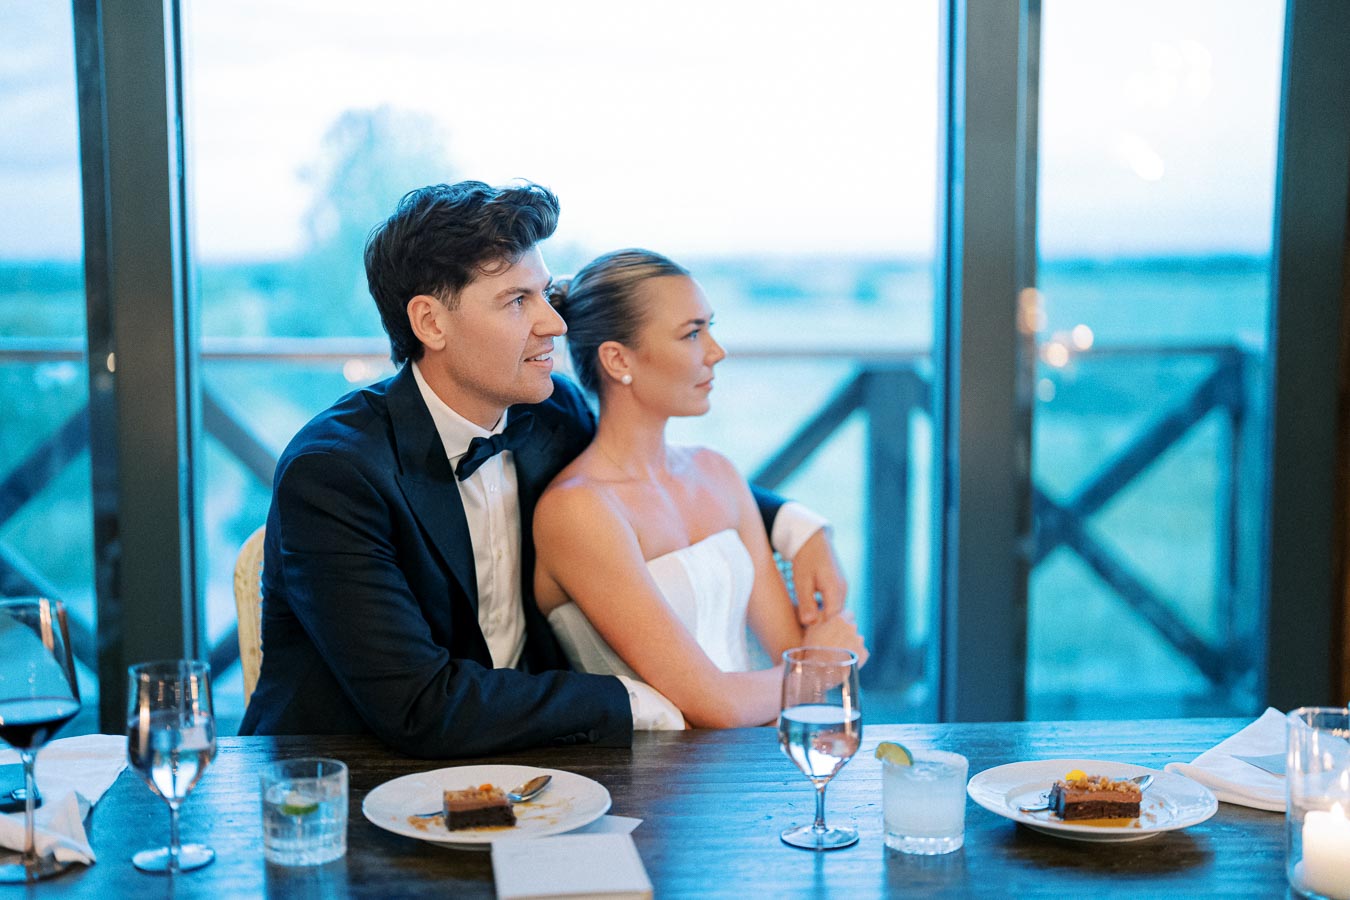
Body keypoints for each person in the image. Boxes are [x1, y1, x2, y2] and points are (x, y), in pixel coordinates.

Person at [238, 181, 851, 756]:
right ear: (430, 322)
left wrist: (793, 525)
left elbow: (644, 477)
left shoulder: (549, 412)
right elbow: (419, 706)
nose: (555, 323)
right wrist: (635, 701)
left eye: (544, 293)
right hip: (341, 775)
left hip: (524, 762)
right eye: (516, 301)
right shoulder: (334, 475)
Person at [534, 249, 868, 729]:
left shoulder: (717, 473)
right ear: (618, 359)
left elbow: (789, 650)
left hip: (763, 750)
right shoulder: (578, 510)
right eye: (692, 333)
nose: (716, 351)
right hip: (660, 770)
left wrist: (813, 656)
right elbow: (716, 704)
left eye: (710, 327)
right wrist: (820, 667)